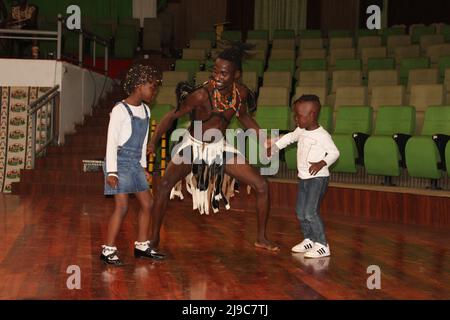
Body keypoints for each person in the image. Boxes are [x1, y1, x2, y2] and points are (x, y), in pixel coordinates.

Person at [147, 43, 280, 253]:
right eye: (215, 71)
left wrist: (264, 140)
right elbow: (172, 115)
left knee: (262, 185)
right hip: (193, 145)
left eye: (224, 73)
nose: (218, 76)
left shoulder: (241, 94)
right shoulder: (201, 95)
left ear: (236, 74)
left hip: (218, 147)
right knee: (164, 185)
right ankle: (153, 239)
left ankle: (261, 238)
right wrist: (153, 142)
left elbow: (244, 117)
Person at [100, 63, 165, 266]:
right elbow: (111, 142)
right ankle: (108, 250)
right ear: (139, 86)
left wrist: (144, 167)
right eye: (151, 87)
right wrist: (111, 172)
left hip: (135, 163)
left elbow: (143, 143)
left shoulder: (145, 110)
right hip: (118, 162)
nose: (154, 91)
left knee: (148, 203)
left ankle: (142, 246)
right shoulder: (120, 110)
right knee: (122, 206)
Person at [269, 95, 339, 258]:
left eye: (299, 116)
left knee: (310, 212)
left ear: (312, 115)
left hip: (318, 179)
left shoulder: (322, 135)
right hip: (303, 178)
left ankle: (322, 244)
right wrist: (275, 147)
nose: (295, 118)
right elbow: (289, 138)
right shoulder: (300, 130)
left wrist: (322, 163)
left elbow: (335, 152)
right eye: (295, 115)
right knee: (300, 212)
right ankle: (309, 239)